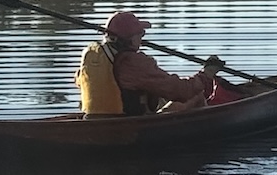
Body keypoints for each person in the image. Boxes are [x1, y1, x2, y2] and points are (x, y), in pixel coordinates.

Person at [81, 9, 234, 115]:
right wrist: (206, 74)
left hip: (95, 119)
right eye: (140, 33)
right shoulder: (133, 62)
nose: (142, 37)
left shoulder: (94, 56)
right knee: (197, 96)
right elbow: (180, 90)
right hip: (128, 124)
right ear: (129, 39)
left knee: (162, 99)